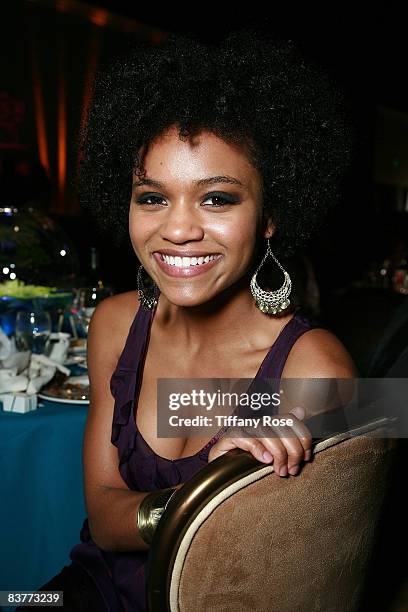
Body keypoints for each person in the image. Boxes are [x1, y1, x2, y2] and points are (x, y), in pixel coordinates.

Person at [17, 27, 357, 611]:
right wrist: (205, 499)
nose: (176, 230)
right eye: (152, 197)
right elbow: (102, 517)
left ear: (270, 215)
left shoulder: (314, 366)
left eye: (217, 198)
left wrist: (256, 490)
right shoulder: (117, 324)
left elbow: (306, 578)